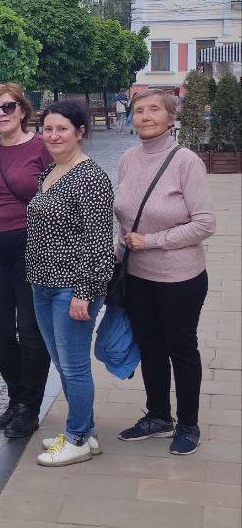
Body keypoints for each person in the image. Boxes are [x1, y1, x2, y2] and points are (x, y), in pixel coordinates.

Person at [115, 89, 215, 456]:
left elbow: (205, 223)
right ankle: (158, 415)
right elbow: (124, 215)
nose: (145, 116)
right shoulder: (127, 159)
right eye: (139, 110)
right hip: (138, 276)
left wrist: (153, 240)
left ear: (171, 117)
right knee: (150, 347)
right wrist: (120, 250)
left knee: (181, 348)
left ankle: (189, 422)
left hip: (180, 278)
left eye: (154, 109)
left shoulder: (186, 161)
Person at [26, 99, 115, 467]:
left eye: (62, 128)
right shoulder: (49, 171)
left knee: (74, 365)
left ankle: (77, 437)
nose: (53, 135)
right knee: (62, 363)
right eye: (48, 128)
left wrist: (85, 292)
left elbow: (99, 242)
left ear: (80, 132)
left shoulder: (91, 177)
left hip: (72, 288)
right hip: (42, 284)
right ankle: (86, 430)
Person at [0, 84, 52, 441]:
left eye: (8, 107)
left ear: (22, 109)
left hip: (31, 245)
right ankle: (16, 397)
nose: (2, 114)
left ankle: (29, 407)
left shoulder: (43, 148)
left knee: (32, 331)